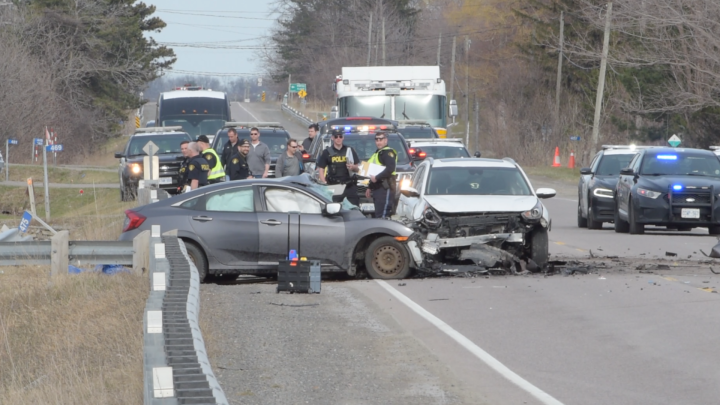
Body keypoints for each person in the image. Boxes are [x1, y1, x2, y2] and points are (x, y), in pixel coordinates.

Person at [317, 129, 360, 206]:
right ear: (332, 138)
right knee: (334, 208)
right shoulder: (327, 152)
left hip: (349, 185)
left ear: (343, 137)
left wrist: (353, 167)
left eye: (340, 136)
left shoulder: (349, 150)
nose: (338, 138)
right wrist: (324, 183)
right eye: (336, 137)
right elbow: (321, 169)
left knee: (353, 208)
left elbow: (357, 168)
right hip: (334, 185)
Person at [365, 131, 397, 218]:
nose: (378, 142)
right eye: (377, 140)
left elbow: (390, 168)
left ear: (385, 140)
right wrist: (369, 187)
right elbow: (372, 171)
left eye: (381, 140)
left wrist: (377, 177)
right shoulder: (377, 153)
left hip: (385, 188)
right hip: (378, 189)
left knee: (383, 216)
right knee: (378, 215)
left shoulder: (388, 153)